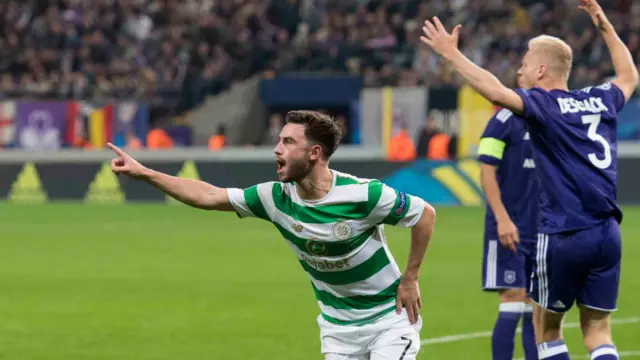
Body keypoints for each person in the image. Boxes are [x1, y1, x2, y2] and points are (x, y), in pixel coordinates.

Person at [106, 110, 437, 360]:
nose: (277, 149)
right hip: (338, 330)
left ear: (314, 153)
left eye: (288, 142)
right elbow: (208, 196)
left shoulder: (364, 194)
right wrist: (145, 173)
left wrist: (411, 277)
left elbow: (424, 215)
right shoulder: (273, 198)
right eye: (279, 140)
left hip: (389, 320)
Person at [419, 0, 639, 359]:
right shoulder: (600, 100)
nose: (519, 69)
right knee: (598, 332)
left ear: (539, 70)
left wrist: (451, 55)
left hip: (562, 233)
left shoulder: (543, 105)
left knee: (546, 331)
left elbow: (493, 91)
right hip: (608, 233)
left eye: (523, 64)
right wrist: (602, 23)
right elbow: (629, 76)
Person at [478, 108, 539, 360]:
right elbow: (486, 169)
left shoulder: (554, 113)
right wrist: (502, 218)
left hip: (545, 228)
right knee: (513, 298)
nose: (521, 71)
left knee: (538, 307)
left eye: (525, 65)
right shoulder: (503, 120)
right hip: (509, 225)